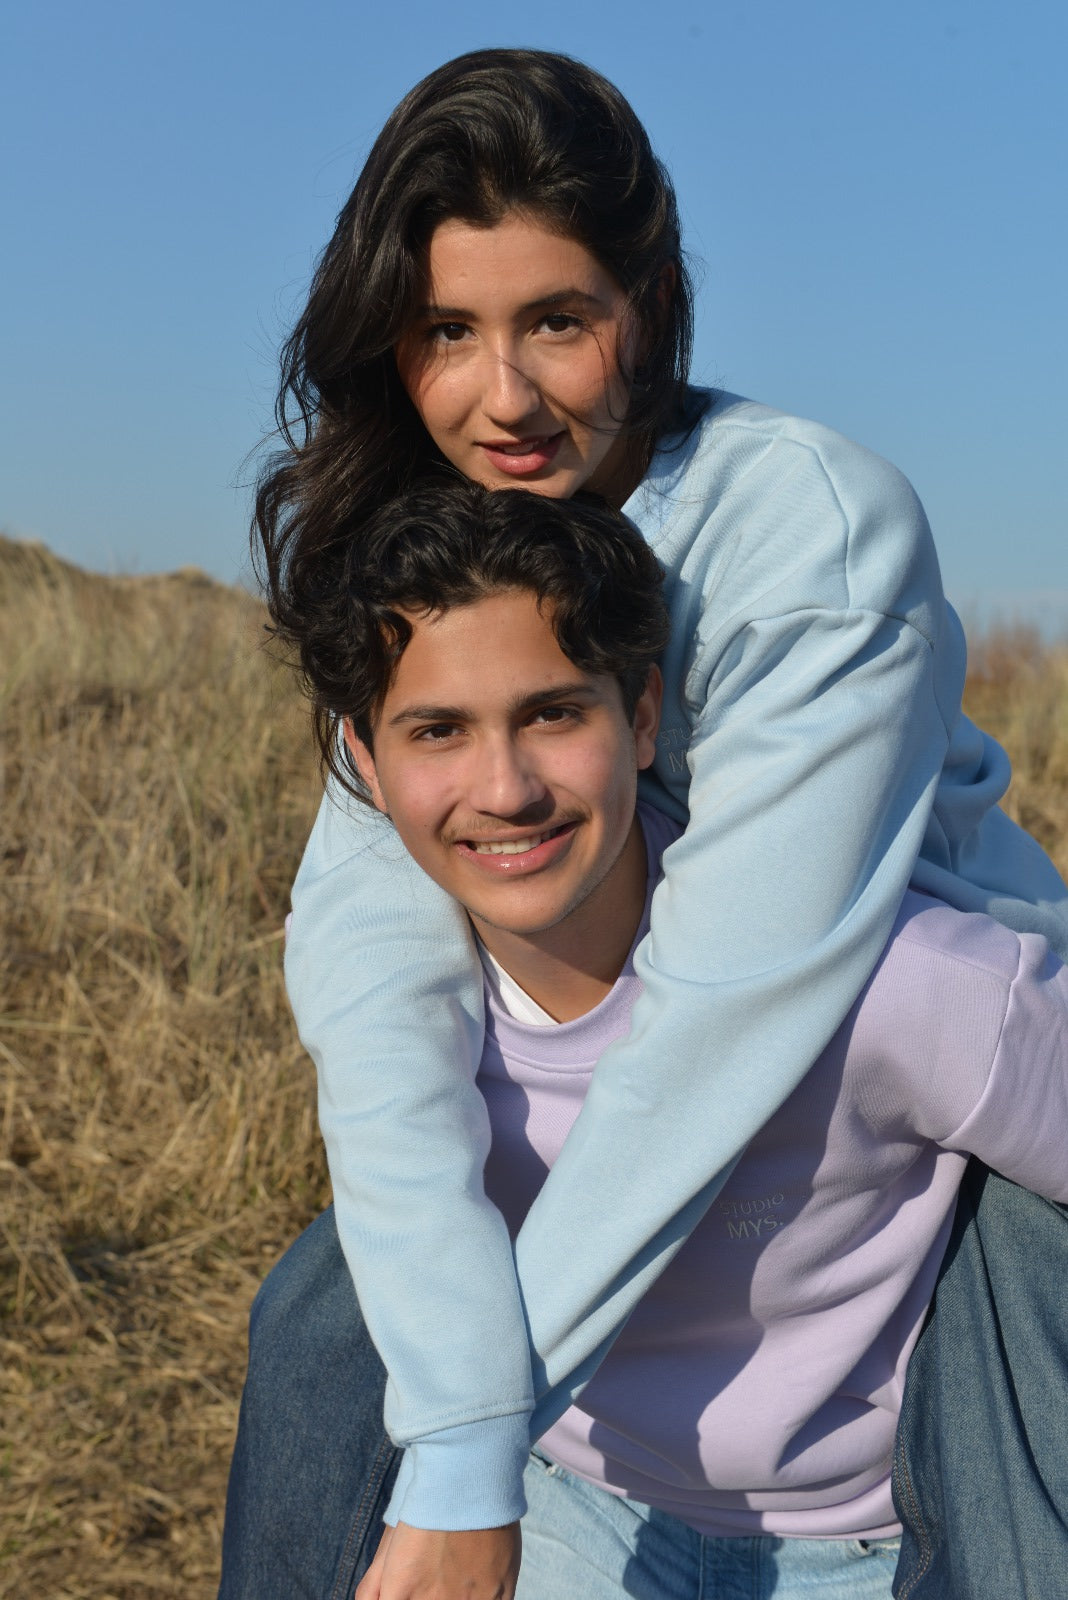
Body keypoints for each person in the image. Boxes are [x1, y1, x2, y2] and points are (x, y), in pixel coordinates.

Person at [220, 47, 1068, 1600]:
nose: (505, 395)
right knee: (344, 1294)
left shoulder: (802, 528)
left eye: (558, 320)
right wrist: (464, 1426)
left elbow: (737, 1000)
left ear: (651, 300)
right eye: (445, 333)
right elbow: (372, 959)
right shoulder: (435, 542)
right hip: (666, 1036)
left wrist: (471, 1456)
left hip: (927, 1055)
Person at [256, 481, 1068, 1600]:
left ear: (641, 715)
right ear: (367, 760)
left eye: (553, 713)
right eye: (437, 731)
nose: (505, 789)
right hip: (557, 1508)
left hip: (870, 1540)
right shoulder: (382, 1012)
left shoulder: (895, 983)